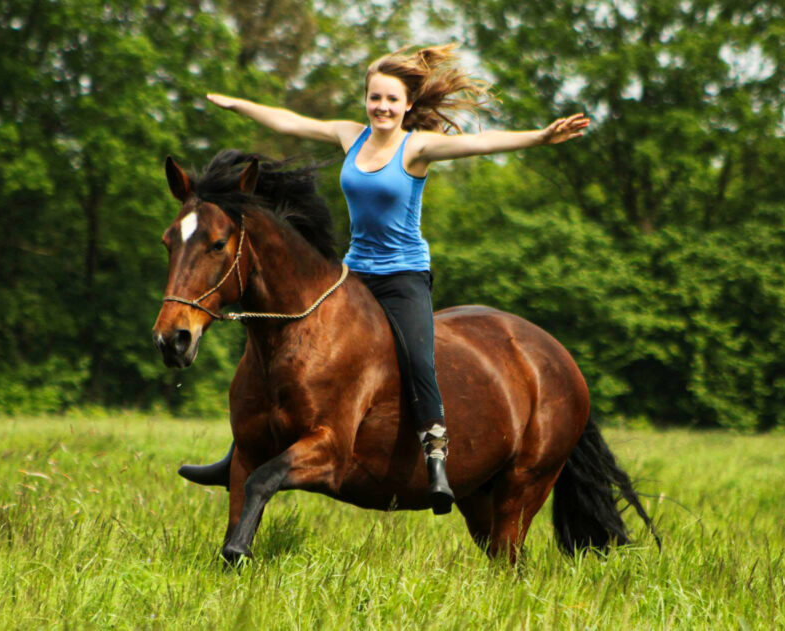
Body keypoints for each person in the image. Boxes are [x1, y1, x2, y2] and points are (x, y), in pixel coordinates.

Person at [180, 44, 589, 515]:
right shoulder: (349, 136)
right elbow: (289, 121)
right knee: (276, 341)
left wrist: (540, 137)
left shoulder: (416, 147)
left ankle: (437, 456)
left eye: (392, 100)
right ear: (366, 100)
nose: (382, 107)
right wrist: (239, 105)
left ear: (407, 105)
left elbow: (480, 143)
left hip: (403, 277)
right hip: (353, 276)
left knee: (417, 358)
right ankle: (240, 452)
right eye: (375, 98)